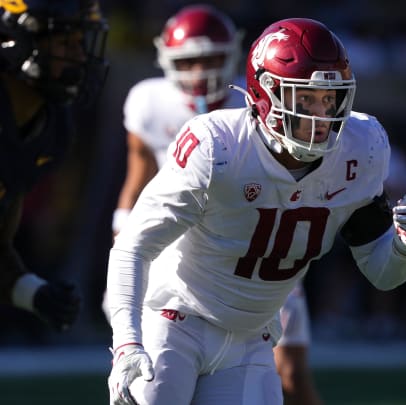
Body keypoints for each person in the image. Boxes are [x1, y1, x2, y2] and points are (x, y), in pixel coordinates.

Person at [106, 17, 406, 405]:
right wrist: (127, 341)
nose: (321, 118)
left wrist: (403, 250)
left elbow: (382, 274)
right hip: (174, 322)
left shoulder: (362, 148)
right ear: (265, 94)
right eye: (305, 99)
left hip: (252, 340)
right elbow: (133, 246)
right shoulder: (217, 146)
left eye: (330, 99)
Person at [107, 5, 323, 404]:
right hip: (183, 260)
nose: (201, 71)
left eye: (211, 59)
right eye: (189, 61)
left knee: (291, 374)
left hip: (260, 249)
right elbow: (135, 184)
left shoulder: (262, 110)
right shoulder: (149, 103)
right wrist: (125, 250)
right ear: (166, 60)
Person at [0, 0, 108, 332]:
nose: (78, 57)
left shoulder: (51, 128)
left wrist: (31, 292)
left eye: (79, 43)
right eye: (64, 43)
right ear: (18, 43)